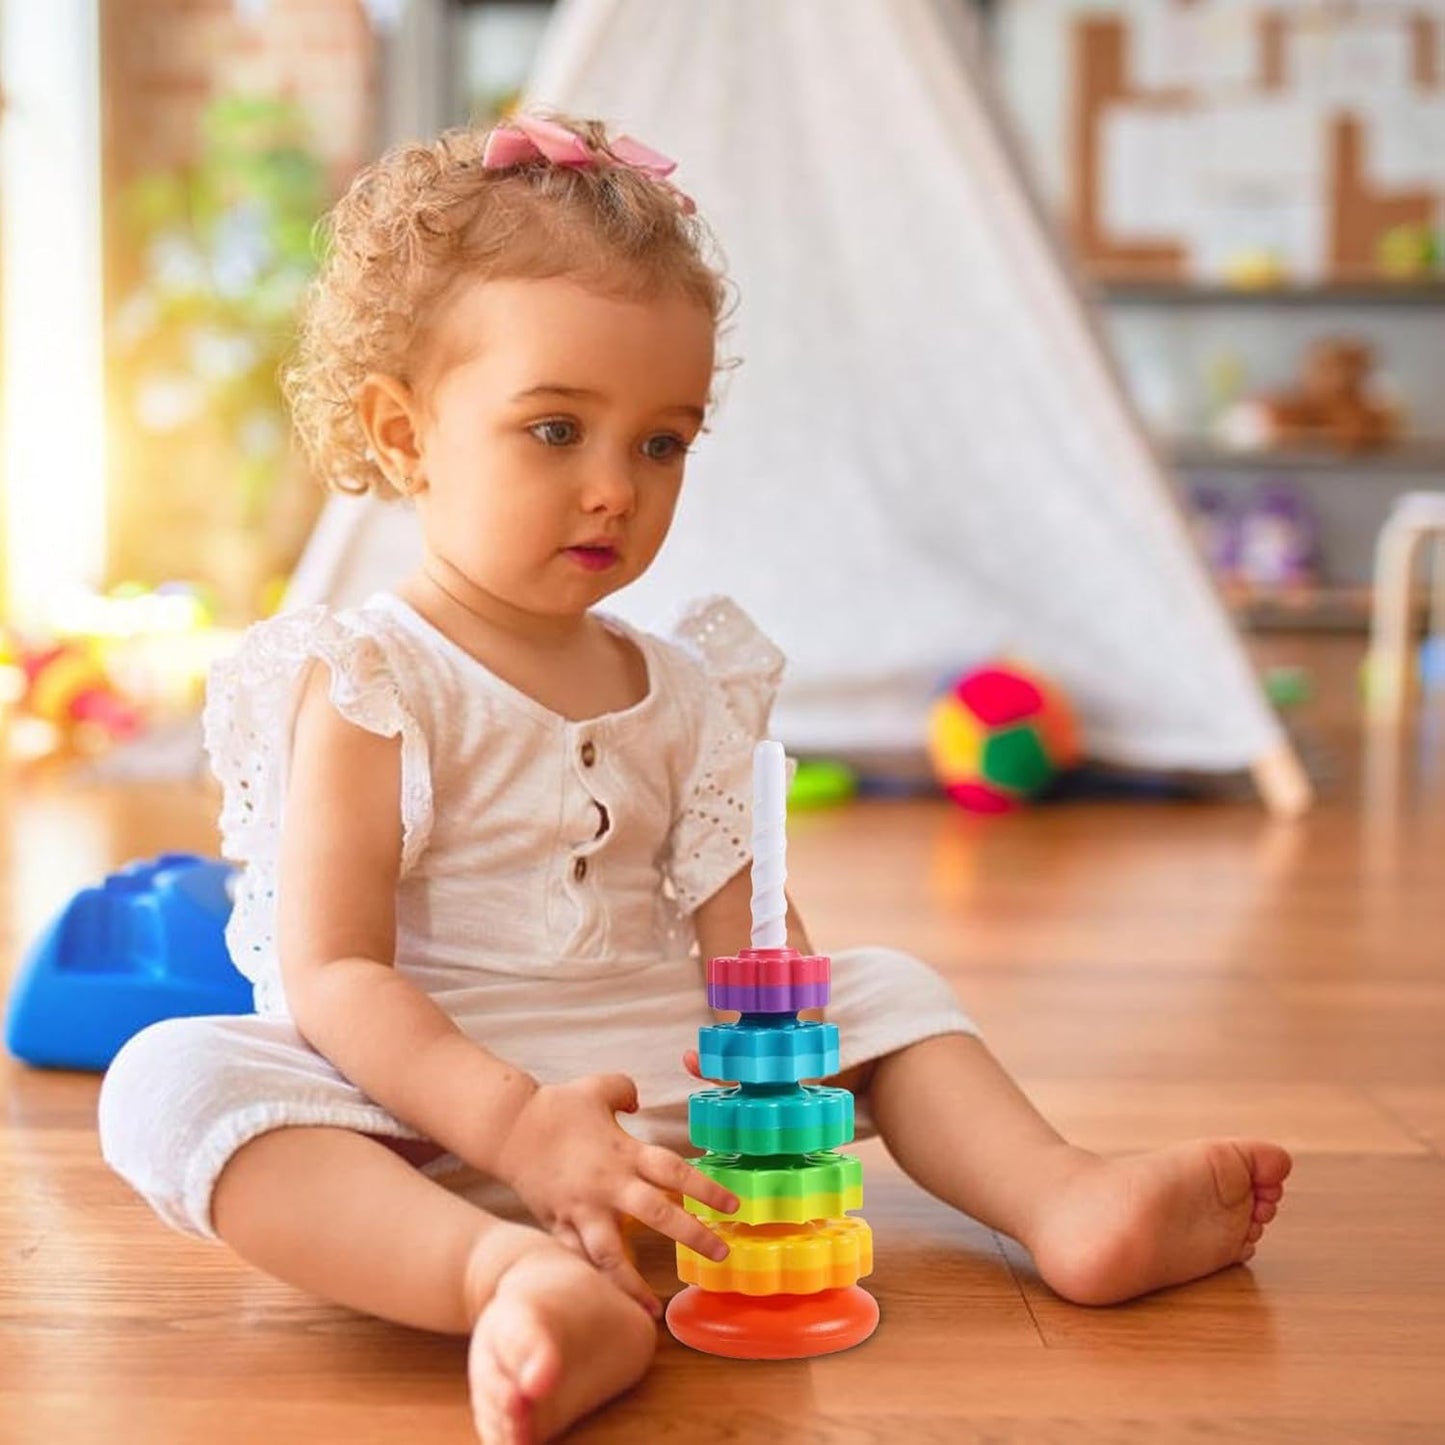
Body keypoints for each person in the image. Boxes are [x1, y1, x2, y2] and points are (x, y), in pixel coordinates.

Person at [99, 113, 1291, 1443]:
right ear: (405, 430)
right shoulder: (371, 678)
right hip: (424, 1114)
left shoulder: (686, 685)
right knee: (172, 1076)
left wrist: (774, 1090)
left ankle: (1060, 1198)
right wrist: (515, 1125)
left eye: (660, 443)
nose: (615, 488)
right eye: (556, 430)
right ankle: (512, 1274)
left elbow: (753, 936)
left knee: (881, 987)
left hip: (663, 1093)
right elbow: (334, 975)